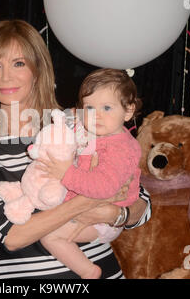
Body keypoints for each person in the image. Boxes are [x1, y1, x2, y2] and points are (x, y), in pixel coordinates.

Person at [0, 19, 151, 279]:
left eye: (18, 63)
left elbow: (141, 201)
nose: (6, 77)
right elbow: (10, 237)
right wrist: (88, 201)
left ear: (37, 70)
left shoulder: (76, 123)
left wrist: (117, 214)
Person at [37, 68, 143, 279]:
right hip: (95, 211)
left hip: (103, 221)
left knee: (50, 236)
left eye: (107, 107)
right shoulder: (100, 135)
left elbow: (104, 187)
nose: (96, 116)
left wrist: (66, 173)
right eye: (89, 108)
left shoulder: (119, 148)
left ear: (129, 111)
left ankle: (88, 271)